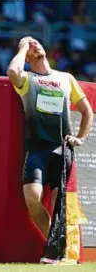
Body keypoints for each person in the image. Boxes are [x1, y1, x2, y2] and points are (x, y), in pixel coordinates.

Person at [7, 37, 94, 264]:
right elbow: (12, 72)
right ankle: (55, 245)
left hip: (62, 148)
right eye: (30, 46)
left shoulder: (66, 78)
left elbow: (87, 111)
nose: (36, 45)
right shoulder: (27, 79)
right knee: (33, 199)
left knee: (59, 204)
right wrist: (23, 47)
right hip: (37, 148)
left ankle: (57, 252)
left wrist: (81, 138)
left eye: (37, 42)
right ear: (27, 57)